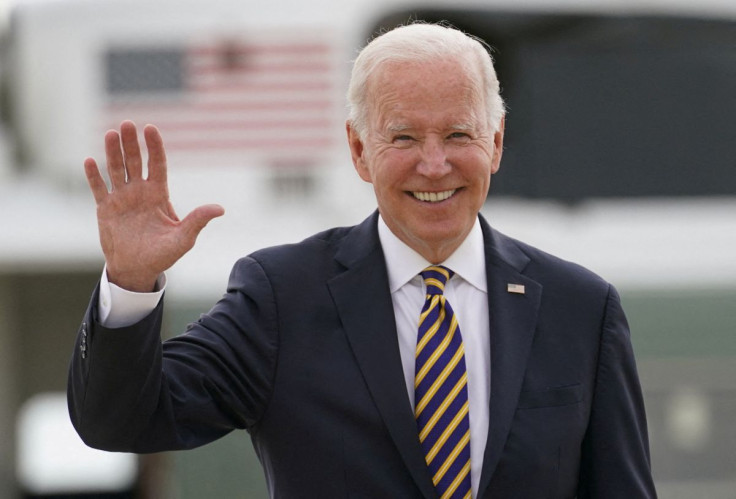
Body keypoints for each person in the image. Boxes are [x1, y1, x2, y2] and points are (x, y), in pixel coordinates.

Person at [68, 22, 657, 498]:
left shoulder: (581, 309)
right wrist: (131, 280)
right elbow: (122, 421)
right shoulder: (282, 299)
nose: (433, 165)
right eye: (403, 138)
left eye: (457, 135)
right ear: (358, 149)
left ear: (496, 142)